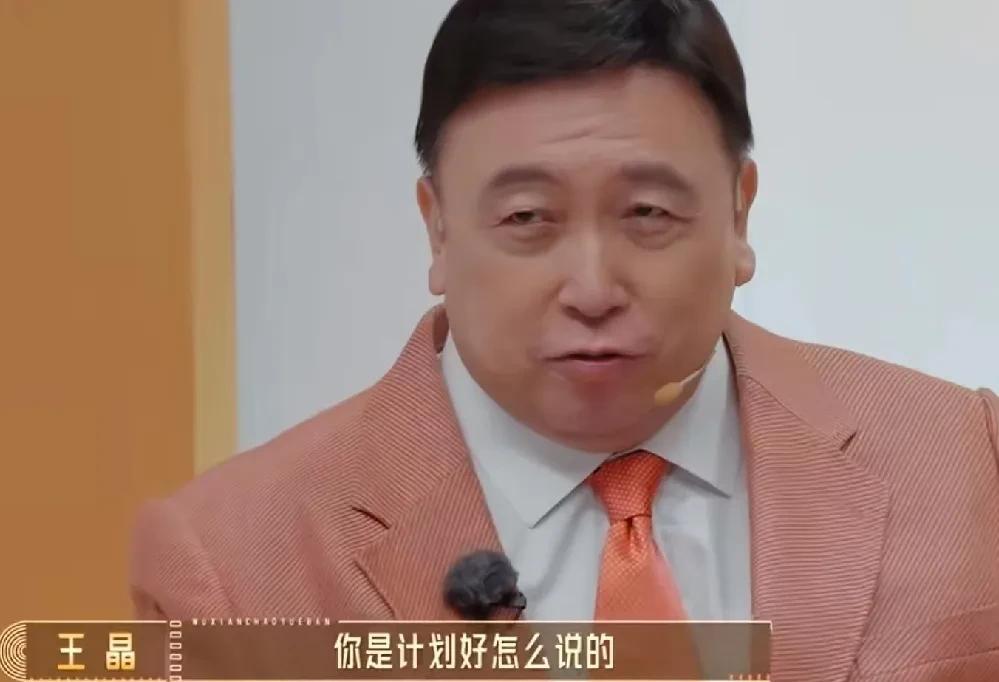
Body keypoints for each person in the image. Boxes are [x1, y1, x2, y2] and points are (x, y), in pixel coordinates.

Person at [131, 1, 999, 680]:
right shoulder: (231, 569)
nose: (591, 288)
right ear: (437, 229)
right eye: (527, 218)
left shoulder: (965, 459)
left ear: (739, 214)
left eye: (646, 213)